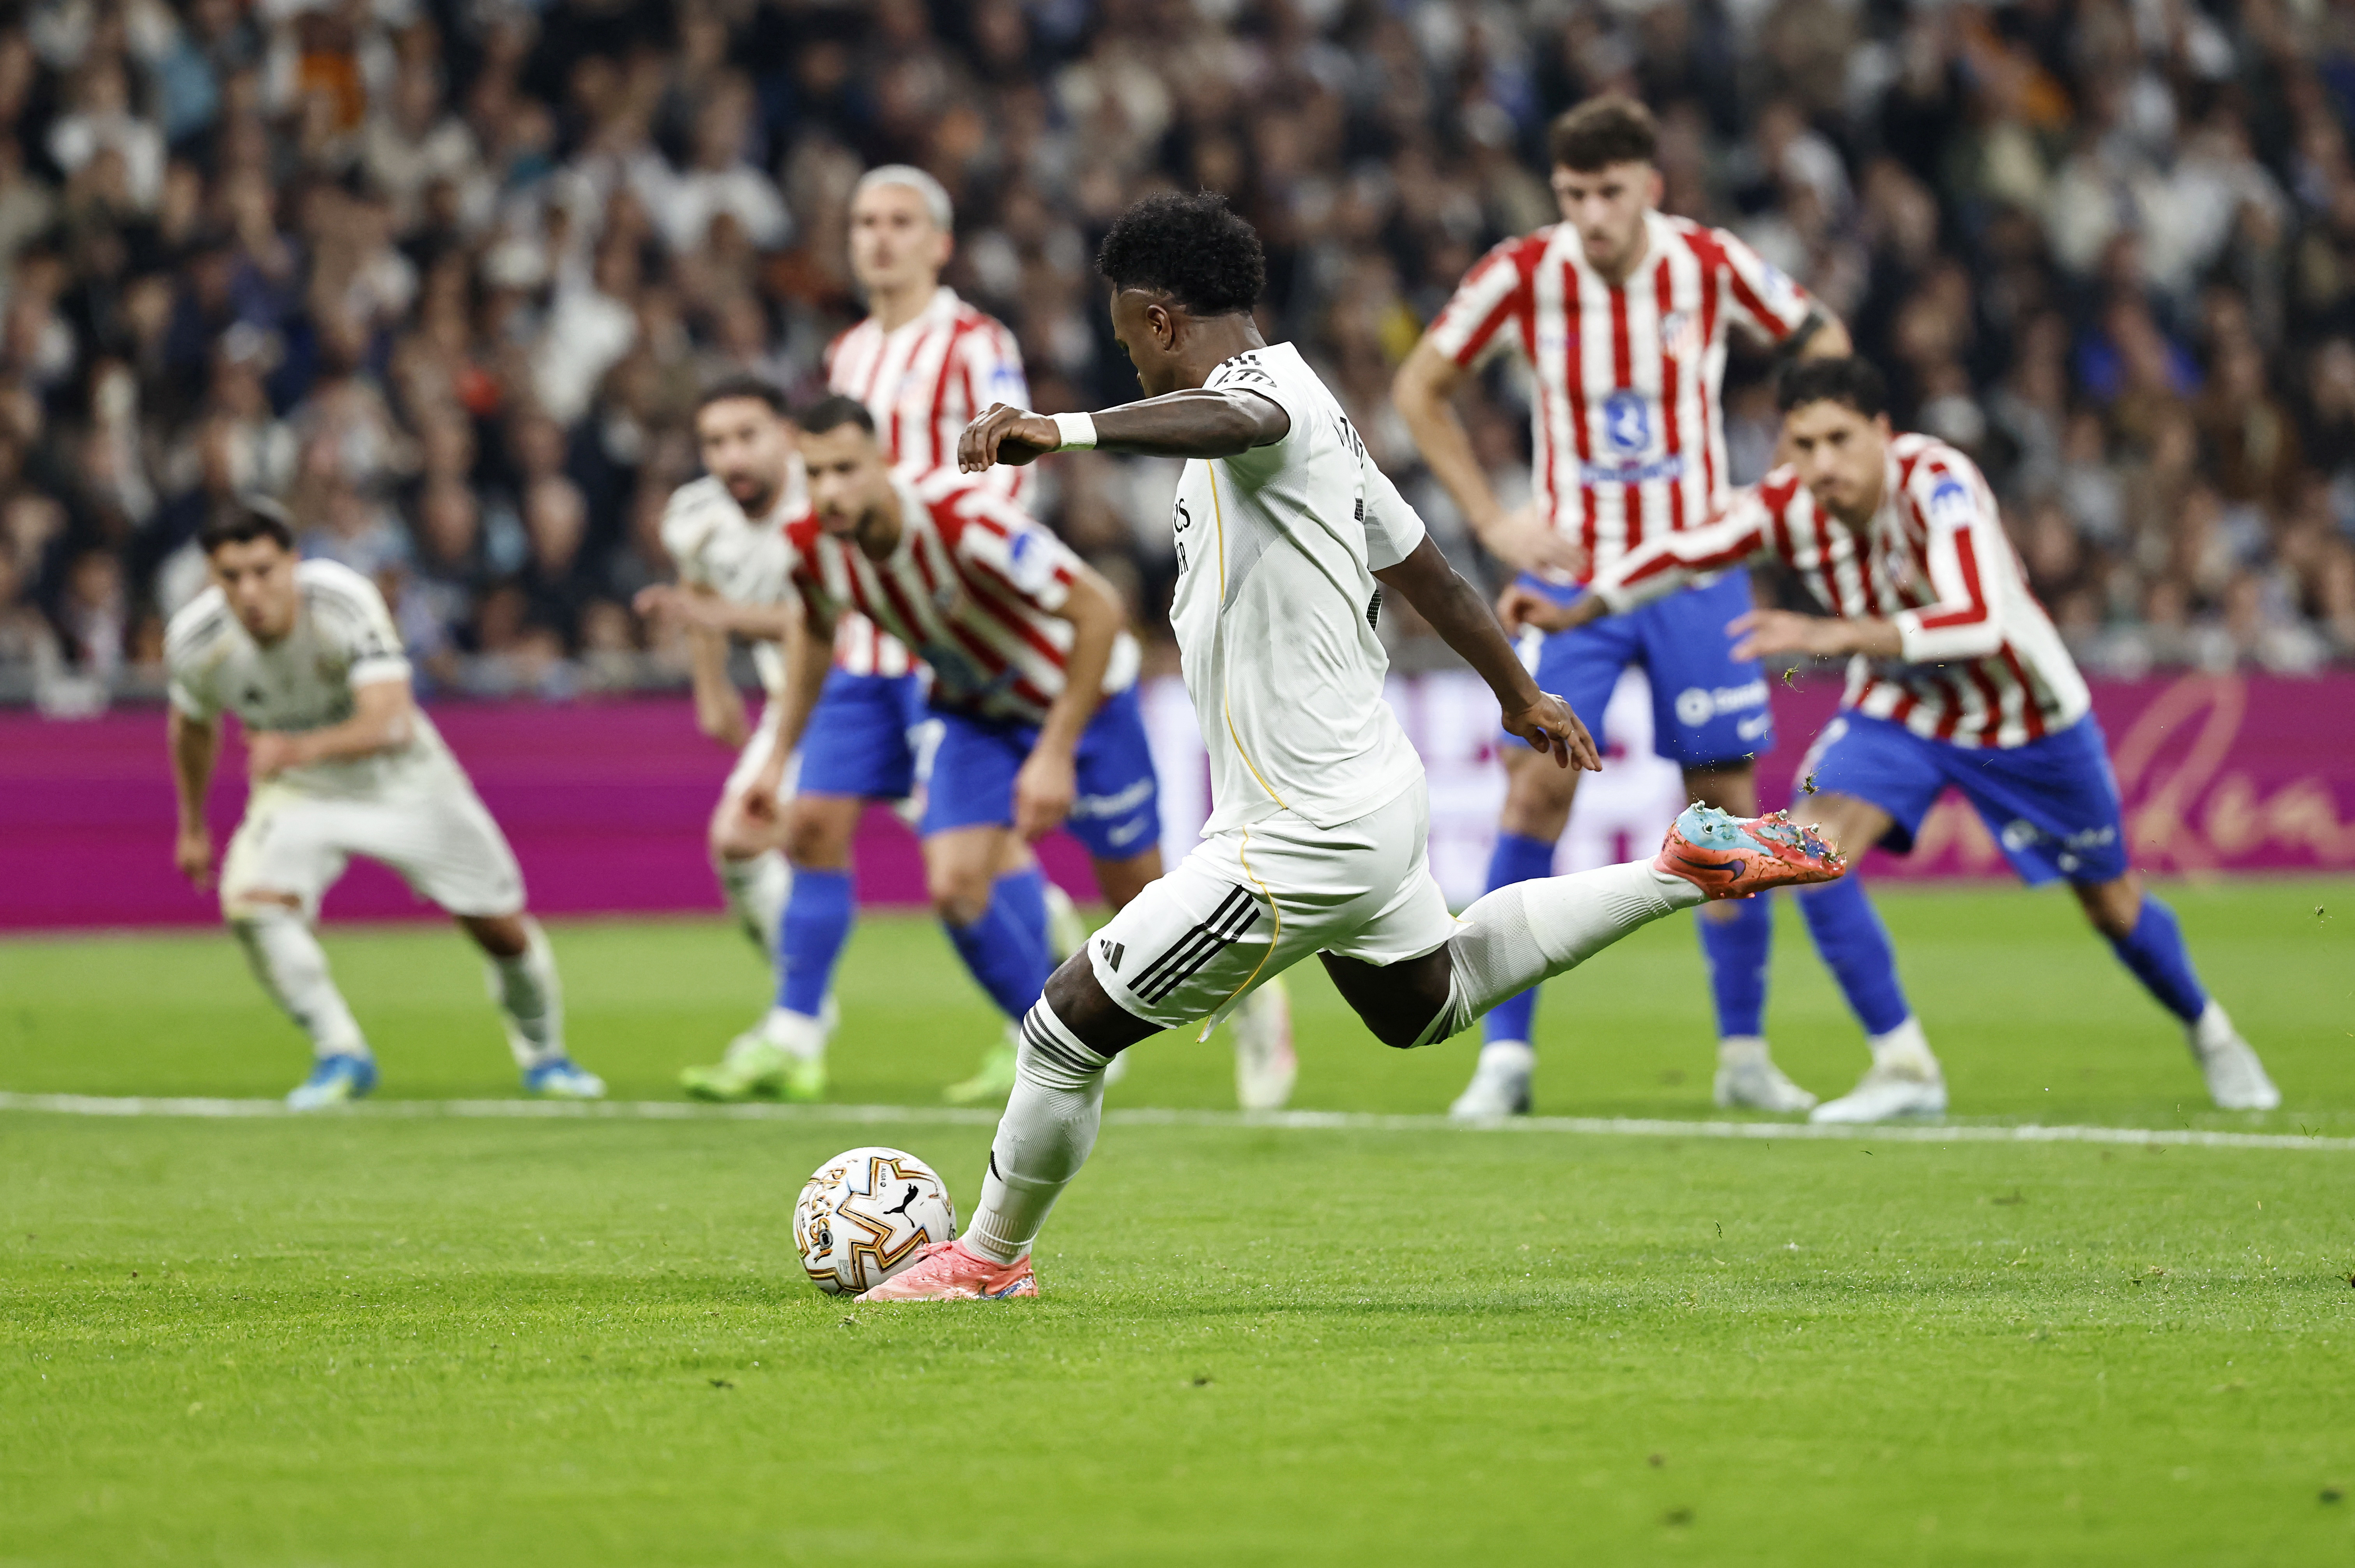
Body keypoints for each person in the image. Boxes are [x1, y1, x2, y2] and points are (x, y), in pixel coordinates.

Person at [855, 192, 1845, 1302]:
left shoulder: (1264, 403)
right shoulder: (1324, 411)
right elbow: (1430, 572)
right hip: (1361, 798)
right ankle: (1681, 868)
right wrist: (1519, 692)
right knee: (1427, 998)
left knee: (1063, 1029)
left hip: (1302, 831)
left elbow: (1239, 425)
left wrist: (1063, 427)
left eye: (1127, 330)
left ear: (1159, 317)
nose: (1124, 352)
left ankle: (986, 1261)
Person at [1503, 357, 2279, 1121]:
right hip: (1903, 707)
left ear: (1882, 433)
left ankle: (2210, 1029)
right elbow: (1684, 554)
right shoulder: (1788, 507)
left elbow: (1977, 617)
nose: (1821, 463)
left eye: (1840, 439)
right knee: (1809, 847)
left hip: (2026, 717)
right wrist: (1580, 607)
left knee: (2111, 905)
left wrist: (1834, 632)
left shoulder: (1939, 483)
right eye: (1802, 445)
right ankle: (1904, 1063)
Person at [1393, 95, 1853, 1120]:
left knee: (1729, 801)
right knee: (1533, 793)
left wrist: (1782, 478)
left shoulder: (1711, 260)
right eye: (1574, 195)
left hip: (1694, 568)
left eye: (1609, 192)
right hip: (1573, 574)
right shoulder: (1522, 271)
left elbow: (1822, 334)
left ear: (1650, 184)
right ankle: (1503, 1057)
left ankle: (1743, 1053)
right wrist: (1491, 518)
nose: (1592, 215)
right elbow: (1420, 385)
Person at [736, 395, 1167, 1095]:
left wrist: (1054, 753)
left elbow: (1098, 610)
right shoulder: (813, 544)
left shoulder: (961, 520)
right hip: (975, 711)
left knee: (1146, 902)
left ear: (882, 461)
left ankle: (1251, 1003)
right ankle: (1059, 1048)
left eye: (846, 469)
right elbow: (816, 633)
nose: (831, 492)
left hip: (1086, 703)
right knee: (955, 886)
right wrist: (779, 757)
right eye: (814, 475)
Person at [164, 500, 603, 1109]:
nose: (249, 591)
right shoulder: (195, 639)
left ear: (294, 562)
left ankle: (547, 1058)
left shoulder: (341, 601)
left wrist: (297, 747)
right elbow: (192, 726)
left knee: (500, 929)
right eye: (231, 576)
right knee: (252, 906)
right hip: (304, 792)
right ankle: (340, 1052)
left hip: (404, 780)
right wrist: (192, 825)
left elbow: (391, 721)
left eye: (263, 570)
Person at [635, 376, 841, 1101]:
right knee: (739, 841)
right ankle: (801, 1013)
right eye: (715, 442)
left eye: (747, 436)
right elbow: (701, 600)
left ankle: (1047, 987)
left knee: (970, 862)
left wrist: (719, 617)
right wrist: (712, 686)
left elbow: (826, 619)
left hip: (881, 693)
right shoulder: (692, 516)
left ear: (787, 435)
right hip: (796, 705)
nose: (731, 456)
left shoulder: (827, 499)